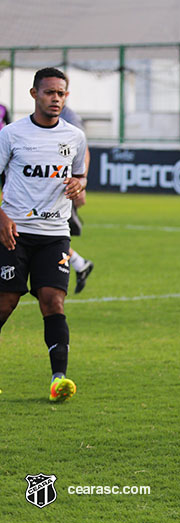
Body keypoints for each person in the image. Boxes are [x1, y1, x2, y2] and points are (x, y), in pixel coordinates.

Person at [0, 67, 88, 401]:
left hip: (54, 234)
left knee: (53, 302)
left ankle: (59, 380)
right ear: (34, 94)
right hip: (15, 232)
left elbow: (79, 174)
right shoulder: (11, 134)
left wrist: (79, 184)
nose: (56, 99)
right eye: (49, 92)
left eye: (61, 93)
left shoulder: (74, 136)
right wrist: (1, 217)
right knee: (5, 303)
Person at [60, 106, 94, 294]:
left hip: (63, 188)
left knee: (49, 236)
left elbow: (83, 148)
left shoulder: (68, 116)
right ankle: (80, 263)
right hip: (42, 188)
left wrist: (81, 182)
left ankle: (79, 263)